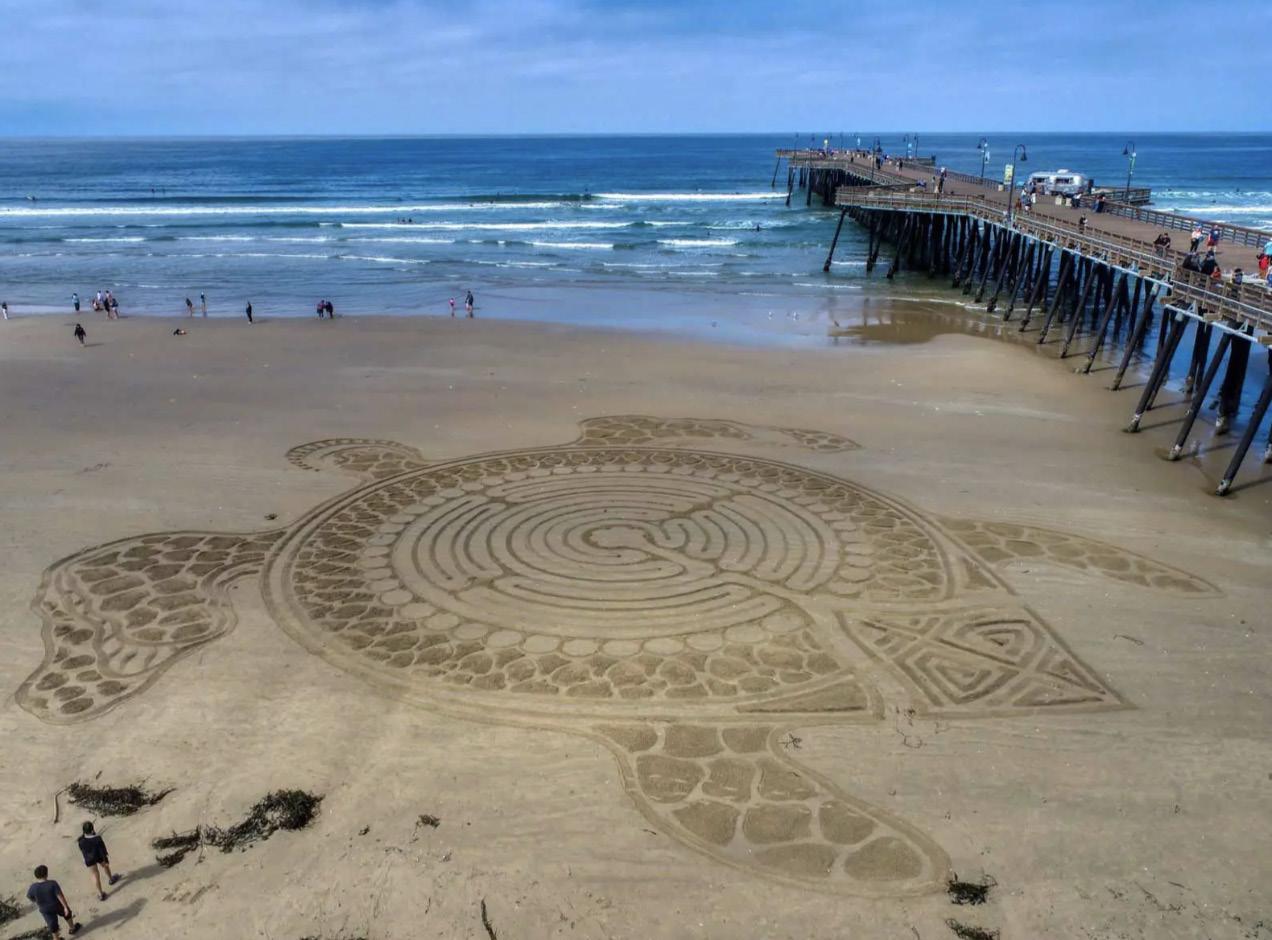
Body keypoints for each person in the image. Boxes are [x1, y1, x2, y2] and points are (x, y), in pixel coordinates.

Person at [27, 864, 80, 937]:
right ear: (46, 874)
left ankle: (56, 938)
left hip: (45, 909)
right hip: (57, 905)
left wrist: (36, 901)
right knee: (67, 914)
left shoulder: (33, 887)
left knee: (52, 925)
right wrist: (65, 907)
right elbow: (60, 896)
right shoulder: (52, 883)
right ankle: (72, 928)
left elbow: (29, 897)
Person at [77, 822, 120, 901]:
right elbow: (103, 850)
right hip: (99, 856)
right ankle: (111, 879)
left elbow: (82, 850)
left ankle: (100, 894)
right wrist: (106, 861)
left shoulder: (80, 840)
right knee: (105, 867)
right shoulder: (97, 838)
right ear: (92, 829)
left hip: (89, 859)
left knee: (94, 874)